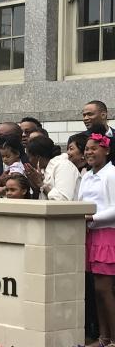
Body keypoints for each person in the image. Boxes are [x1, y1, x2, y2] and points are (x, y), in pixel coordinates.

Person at [78, 133, 115, 347]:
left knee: (104, 289)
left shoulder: (111, 174)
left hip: (107, 234)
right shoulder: (86, 175)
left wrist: (92, 217)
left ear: (107, 150)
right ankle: (104, 337)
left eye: (94, 148)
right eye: (87, 148)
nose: (89, 152)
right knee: (97, 290)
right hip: (90, 234)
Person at [24, 136, 80, 201]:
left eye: (29, 157)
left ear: (38, 157)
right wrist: (34, 182)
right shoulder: (43, 170)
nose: (29, 161)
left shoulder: (64, 166)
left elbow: (62, 200)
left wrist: (41, 184)